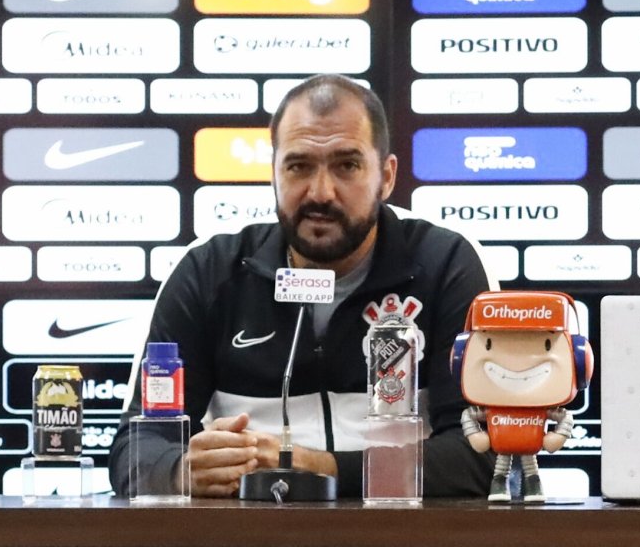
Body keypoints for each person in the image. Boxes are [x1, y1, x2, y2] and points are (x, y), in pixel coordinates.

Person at [109, 75, 497, 498]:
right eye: (299, 167)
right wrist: (181, 471)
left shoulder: (445, 264)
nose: (321, 193)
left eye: (347, 165)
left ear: (386, 177)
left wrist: (319, 468)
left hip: (400, 528)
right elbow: (135, 449)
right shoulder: (210, 271)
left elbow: (481, 455)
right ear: (274, 174)